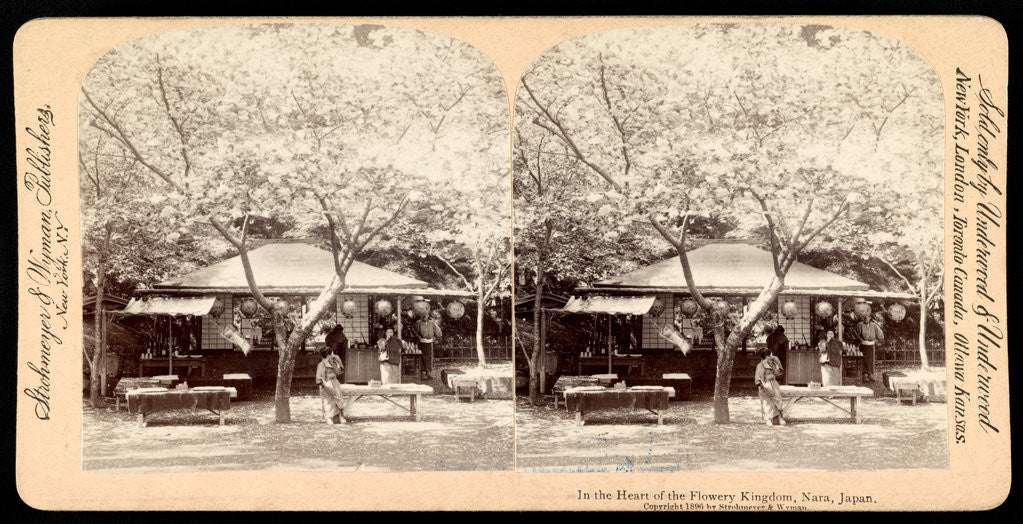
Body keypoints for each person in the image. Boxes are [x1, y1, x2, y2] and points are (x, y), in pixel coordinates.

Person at [754, 347, 786, 426]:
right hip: (764, 385)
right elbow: (757, 379)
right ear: (767, 356)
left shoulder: (771, 364)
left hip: (774, 384)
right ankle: (768, 419)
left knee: (778, 400)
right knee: (767, 402)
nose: (772, 356)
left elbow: (778, 373)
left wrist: (777, 361)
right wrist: (764, 386)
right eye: (771, 354)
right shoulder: (760, 365)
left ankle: (780, 418)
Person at [315, 346, 348, 424]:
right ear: (328, 355)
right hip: (326, 384)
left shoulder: (332, 362)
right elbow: (319, 378)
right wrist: (325, 385)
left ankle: (340, 416)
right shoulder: (321, 364)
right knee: (328, 401)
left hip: (335, 382)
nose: (333, 354)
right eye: (332, 353)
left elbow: (340, 371)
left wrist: (337, 359)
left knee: (338, 398)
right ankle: (328, 418)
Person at [851, 315, 884, 383]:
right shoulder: (860, 324)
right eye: (864, 317)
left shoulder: (874, 325)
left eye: (867, 317)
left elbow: (880, 333)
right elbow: (854, 332)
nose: (865, 319)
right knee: (864, 359)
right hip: (863, 344)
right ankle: (865, 375)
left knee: (870, 359)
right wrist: (859, 339)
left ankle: (870, 374)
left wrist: (879, 340)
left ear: (870, 318)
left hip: (871, 344)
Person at [413, 314, 442, 380]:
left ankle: (428, 373)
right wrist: (418, 337)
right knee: (422, 357)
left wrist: (435, 337)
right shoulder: (418, 323)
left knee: (429, 358)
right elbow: (414, 330)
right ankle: (422, 374)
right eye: (422, 315)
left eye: (425, 315)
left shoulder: (432, 323)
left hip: (429, 342)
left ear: (428, 316)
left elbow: (438, 331)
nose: (423, 317)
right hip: (421, 342)